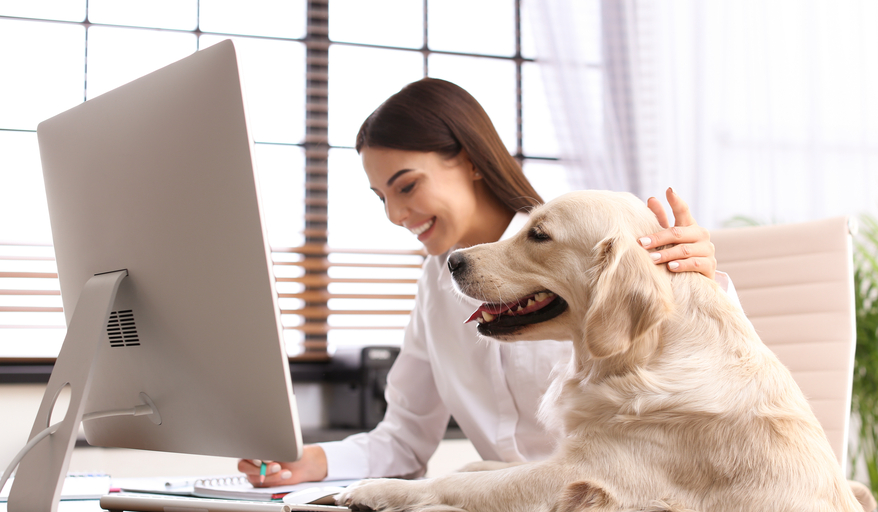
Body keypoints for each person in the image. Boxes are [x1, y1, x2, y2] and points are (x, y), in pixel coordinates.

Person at [238, 78, 735, 485]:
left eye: (406, 186)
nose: (395, 214)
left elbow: (707, 390)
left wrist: (700, 282)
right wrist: (311, 463)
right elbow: (405, 439)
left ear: (471, 161)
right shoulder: (437, 287)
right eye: (380, 197)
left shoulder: (583, 247)